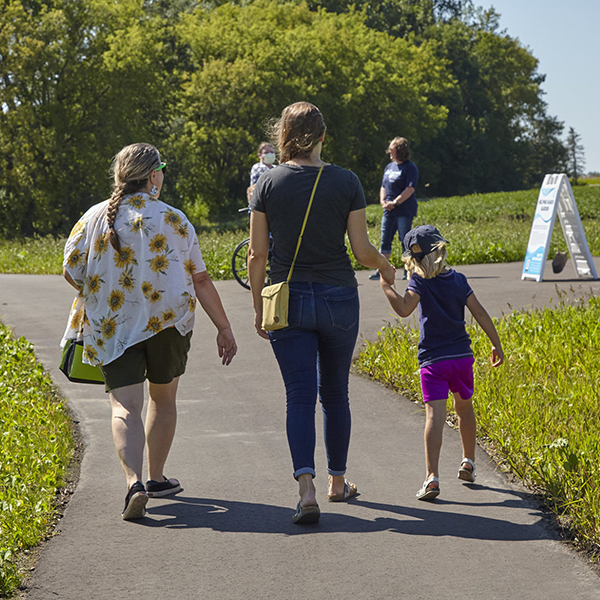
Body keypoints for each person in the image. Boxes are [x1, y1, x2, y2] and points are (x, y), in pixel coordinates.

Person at [62, 143, 237, 520]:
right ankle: (157, 477)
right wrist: (224, 327)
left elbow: (72, 270)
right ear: (154, 176)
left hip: (114, 327)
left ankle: (134, 483)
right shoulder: (173, 219)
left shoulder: (93, 218)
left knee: (125, 406)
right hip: (168, 323)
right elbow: (201, 278)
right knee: (163, 400)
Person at [247, 102, 394, 524]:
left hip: (287, 298)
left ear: (284, 136)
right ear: (324, 136)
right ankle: (337, 481)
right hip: (338, 297)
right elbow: (362, 251)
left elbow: (257, 254)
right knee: (335, 393)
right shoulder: (346, 181)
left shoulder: (267, 184)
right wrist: (386, 265)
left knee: (298, 395)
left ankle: (306, 488)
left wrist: (258, 305)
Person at [379, 225, 503, 501]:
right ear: (441, 251)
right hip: (461, 358)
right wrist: (496, 343)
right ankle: (468, 462)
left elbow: (403, 309)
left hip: (433, 361)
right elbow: (480, 312)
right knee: (464, 409)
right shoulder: (458, 280)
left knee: (434, 417)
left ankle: (431, 478)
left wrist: (386, 286)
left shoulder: (419, 282)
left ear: (412, 261)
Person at [369, 137, 419, 281]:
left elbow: (409, 189)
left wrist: (396, 203)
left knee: (405, 240)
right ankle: (382, 270)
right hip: (388, 211)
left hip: (403, 210)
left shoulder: (410, 168)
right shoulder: (389, 167)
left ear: (400, 150)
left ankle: (408, 271)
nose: (389, 152)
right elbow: (383, 186)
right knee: (385, 240)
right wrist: (383, 201)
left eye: (392, 149)